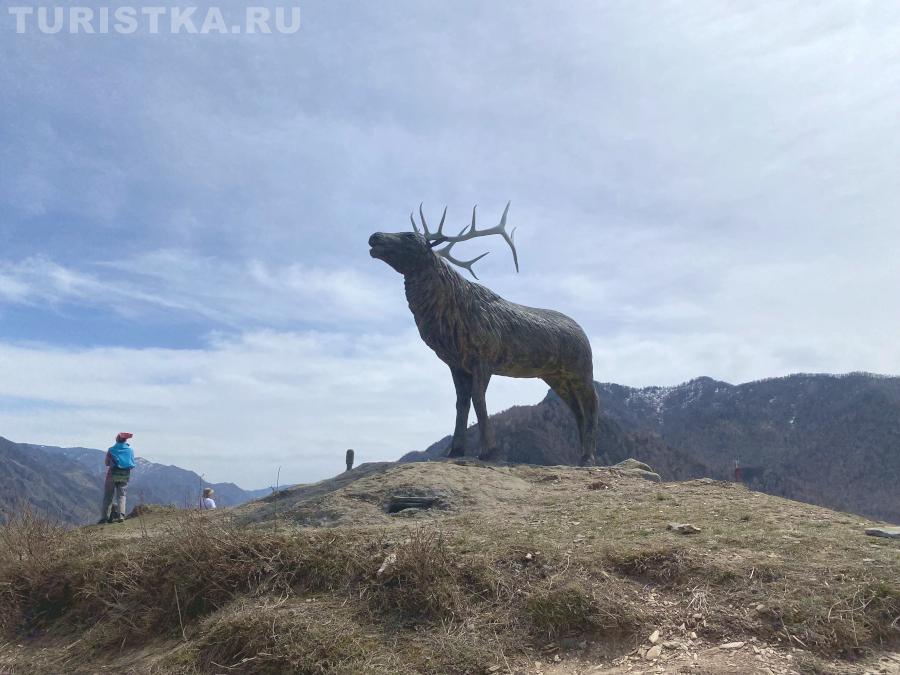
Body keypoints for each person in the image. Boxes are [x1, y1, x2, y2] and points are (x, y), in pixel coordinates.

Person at [99, 432, 136, 524]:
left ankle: (105, 517)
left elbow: (107, 463)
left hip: (112, 474)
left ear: (117, 439)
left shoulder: (111, 450)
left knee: (108, 496)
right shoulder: (130, 450)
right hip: (125, 474)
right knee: (121, 495)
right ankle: (121, 516)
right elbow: (132, 463)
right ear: (125, 440)